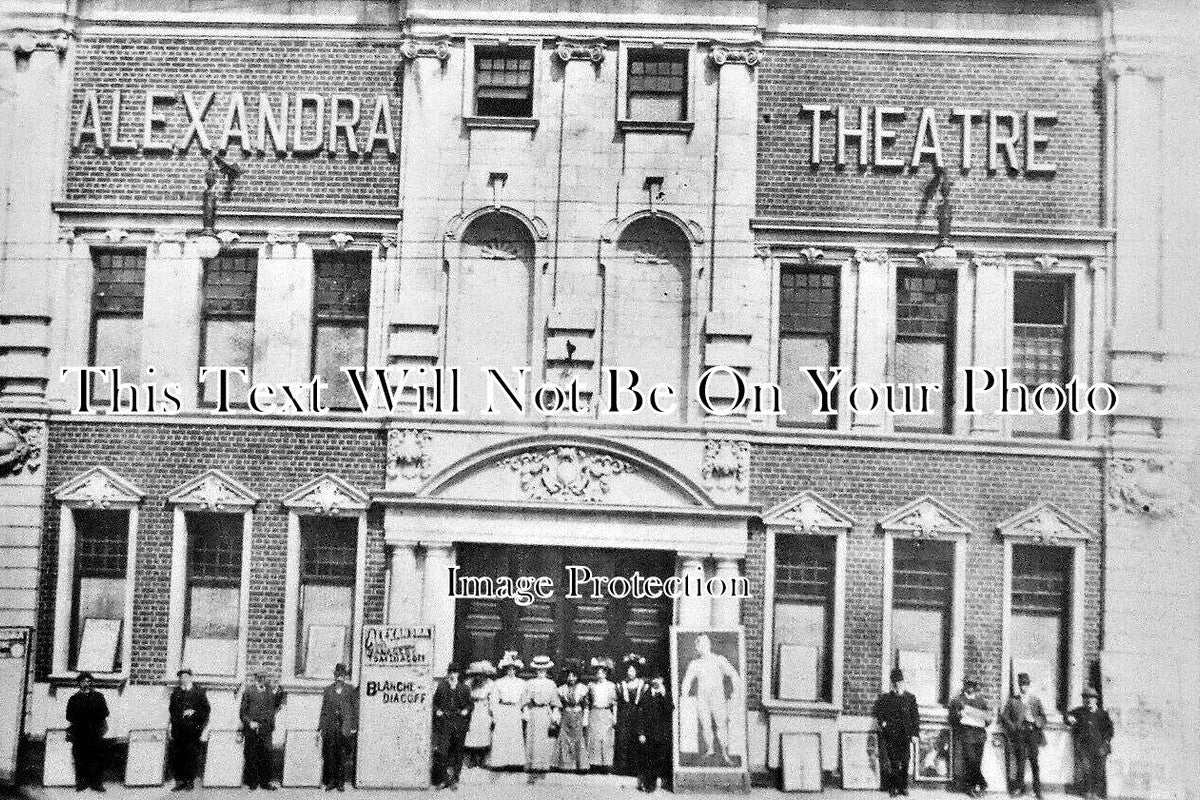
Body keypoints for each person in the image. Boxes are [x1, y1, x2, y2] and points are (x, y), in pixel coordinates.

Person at [679, 633, 740, 765]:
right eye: (697, 645)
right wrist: (684, 696)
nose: (697, 648)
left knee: (721, 725)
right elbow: (687, 681)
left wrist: (736, 692)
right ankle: (710, 750)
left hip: (717, 696)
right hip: (702, 697)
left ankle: (724, 753)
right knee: (706, 725)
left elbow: (734, 675)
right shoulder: (695, 664)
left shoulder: (719, 660)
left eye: (699, 645)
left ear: (706, 645)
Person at [873, 667, 920, 797]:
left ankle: (903, 786)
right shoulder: (886, 698)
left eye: (900, 682)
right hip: (891, 735)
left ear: (903, 682)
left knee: (905, 761)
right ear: (892, 683)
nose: (898, 684)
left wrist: (915, 734)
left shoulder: (910, 698)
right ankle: (893, 787)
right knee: (893, 761)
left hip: (905, 735)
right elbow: (879, 714)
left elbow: (915, 717)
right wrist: (883, 724)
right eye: (895, 682)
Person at [1000, 673, 1047, 799]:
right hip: (1019, 733)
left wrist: (1036, 721)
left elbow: (1043, 717)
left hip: (1032, 733)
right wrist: (1013, 726)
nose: (1023, 687)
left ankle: (1037, 790)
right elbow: (1004, 716)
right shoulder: (1013, 700)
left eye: (1025, 684)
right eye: (1021, 684)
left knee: (1034, 761)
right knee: (1020, 761)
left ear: (1029, 685)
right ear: (1018, 685)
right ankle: (1019, 788)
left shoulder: (1035, 700)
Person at [239, 668, 284, 791]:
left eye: (264, 677)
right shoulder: (249, 691)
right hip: (252, 728)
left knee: (266, 755)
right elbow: (242, 712)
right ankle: (252, 782)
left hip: (266, 729)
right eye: (259, 677)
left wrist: (278, 689)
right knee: (251, 754)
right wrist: (250, 722)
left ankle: (265, 782)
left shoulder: (270, 691)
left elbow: (276, 705)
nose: (262, 680)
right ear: (255, 678)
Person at [1067, 686, 1113, 800]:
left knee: (1099, 771)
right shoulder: (1080, 712)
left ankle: (1097, 794)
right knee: (1086, 769)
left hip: (1100, 747)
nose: (1088, 701)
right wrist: (1069, 718)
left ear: (1096, 700)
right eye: (1086, 699)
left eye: (1091, 699)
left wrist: (1105, 742)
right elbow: (1066, 715)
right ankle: (1088, 792)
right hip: (1085, 747)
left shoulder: (1102, 714)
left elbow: (1110, 730)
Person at [318, 663, 359, 792]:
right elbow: (324, 710)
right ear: (334, 676)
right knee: (330, 755)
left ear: (345, 677)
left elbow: (355, 709)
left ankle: (340, 782)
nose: (339, 678)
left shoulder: (350, 690)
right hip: (330, 727)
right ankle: (331, 782)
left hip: (344, 728)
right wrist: (321, 726)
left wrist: (353, 726)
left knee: (342, 756)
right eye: (337, 675)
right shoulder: (328, 690)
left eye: (342, 675)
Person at [520, 655, 562, 783]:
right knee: (532, 738)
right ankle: (532, 767)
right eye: (538, 670)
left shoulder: (551, 684)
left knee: (543, 739)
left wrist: (555, 714)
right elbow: (525, 700)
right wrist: (526, 711)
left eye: (543, 670)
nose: (541, 673)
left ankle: (542, 766)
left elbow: (555, 702)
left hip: (545, 712)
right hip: (534, 712)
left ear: (547, 671)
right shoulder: (530, 683)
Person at [66, 672, 109, 793]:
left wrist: (93, 719)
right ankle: (81, 783)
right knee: (80, 759)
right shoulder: (74, 699)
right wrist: (81, 719)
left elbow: (105, 712)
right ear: (79, 683)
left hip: (95, 733)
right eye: (84, 681)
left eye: (89, 681)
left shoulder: (98, 697)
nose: (87, 684)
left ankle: (96, 784)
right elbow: (69, 716)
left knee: (96, 758)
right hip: (80, 733)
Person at [431, 662, 472, 790]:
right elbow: (435, 703)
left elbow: (470, 705)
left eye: (455, 673)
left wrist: (466, 710)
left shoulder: (464, 688)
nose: (453, 675)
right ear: (448, 674)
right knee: (442, 751)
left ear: (458, 674)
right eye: (451, 673)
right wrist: (437, 711)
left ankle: (455, 779)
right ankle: (443, 779)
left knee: (457, 751)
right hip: (445, 722)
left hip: (459, 722)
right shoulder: (442, 687)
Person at [168, 668, 210, 791]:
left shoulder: (199, 692)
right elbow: (172, 710)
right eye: (181, 677)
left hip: (193, 731)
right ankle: (179, 781)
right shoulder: (176, 692)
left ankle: (189, 781)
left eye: (186, 676)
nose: (183, 679)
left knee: (191, 756)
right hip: (178, 730)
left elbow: (206, 710)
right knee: (178, 757)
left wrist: (194, 713)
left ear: (190, 677)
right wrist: (175, 721)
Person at [949, 678, 990, 797]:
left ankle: (972, 786)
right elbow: (952, 719)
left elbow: (987, 719)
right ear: (965, 686)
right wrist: (959, 715)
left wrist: (986, 720)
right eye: (968, 685)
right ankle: (980, 783)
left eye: (973, 685)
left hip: (980, 735)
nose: (971, 688)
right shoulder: (958, 700)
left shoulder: (980, 701)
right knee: (970, 760)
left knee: (977, 762)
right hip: (966, 734)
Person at [487, 653, 527, 769]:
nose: (511, 671)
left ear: (516, 670)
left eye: (513, 669)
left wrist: (522, 711)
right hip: (503, 710)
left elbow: (523, 699)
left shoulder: (521, 683)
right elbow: (494, 699)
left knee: (514, 735)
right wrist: (495, 713)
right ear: (505, 670)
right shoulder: (499, 683)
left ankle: (514, 762)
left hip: (515, 710)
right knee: (501, 735)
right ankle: (500, 762)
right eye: (509, 669)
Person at [636, 671, 674, 793]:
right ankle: (649, 785)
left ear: (662, 680)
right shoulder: (646, 694)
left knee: (660, 759)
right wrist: (641, 733)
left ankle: (661, 782)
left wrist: (663, 694)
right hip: (648, 733)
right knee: (649, 759)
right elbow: (640, 715)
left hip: (662, 734)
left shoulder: (665, 694)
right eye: (654, 679)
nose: (656, 681)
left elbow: (670, 709)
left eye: (659, 679)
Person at [615, 654, 647, 776]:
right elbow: (618, 703)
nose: (630, 672)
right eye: (628, 670)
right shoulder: (621, 685)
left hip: (638, 715)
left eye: (633, 670)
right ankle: (623, 768)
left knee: (636, 740)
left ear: (636, 672)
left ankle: (636, 769)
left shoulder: (642, 685)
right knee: (624, 740)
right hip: (625, 715)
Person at [556, 662, 590, 773]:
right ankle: (565, 765)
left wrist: (585, 718)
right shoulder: (562, 689)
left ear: (577, 677)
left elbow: (586, 705)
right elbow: (559, 704)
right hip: (566, 714)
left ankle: (579, 764)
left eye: (573, 675)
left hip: (577, 714)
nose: (571, 678)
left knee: (578, 738)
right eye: (569, 675)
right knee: (565, 739)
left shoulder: (582, 688)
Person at [463, 661, 496, 768]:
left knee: (483, 732)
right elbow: (464, 697)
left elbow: (492, 699)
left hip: (484, 709)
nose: (479, 677)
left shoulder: (490, 684)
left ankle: (482, 758)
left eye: (481, 674)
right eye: (476, 674)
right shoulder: (468, 683)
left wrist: (492, 712)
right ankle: (472, 757)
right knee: (472, 732)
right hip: (472, 708)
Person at [587, 657, 618, 772]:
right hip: (595, 712)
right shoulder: (591, 685)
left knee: (605, 738)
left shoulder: (611, 686)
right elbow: (588, 702)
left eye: (603, 671)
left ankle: (605, 765)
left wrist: (614, 716)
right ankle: (594, 764)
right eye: (598, 671)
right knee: (594, 738)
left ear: (606, 673)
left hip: (606, 713)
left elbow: (614, 703)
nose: (600, 674)